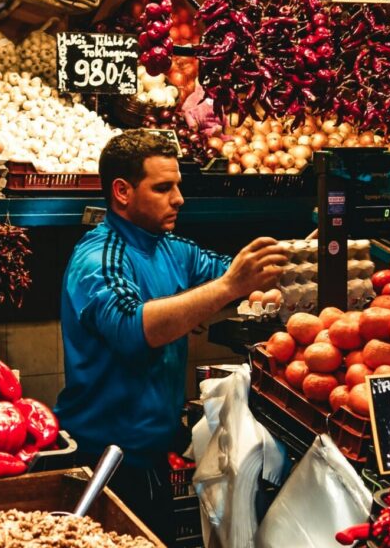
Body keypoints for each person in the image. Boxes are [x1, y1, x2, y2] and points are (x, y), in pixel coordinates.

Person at [55, 129, 287, 543]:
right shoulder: (97, 259)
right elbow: (132, 329)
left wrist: (278, 270)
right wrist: (228, 288)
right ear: (122, 192)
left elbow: (226, 271)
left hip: (152, 455)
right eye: (163, 188)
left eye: (178, 186)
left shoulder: (171, 248)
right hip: (106, 461)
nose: (179, 198)